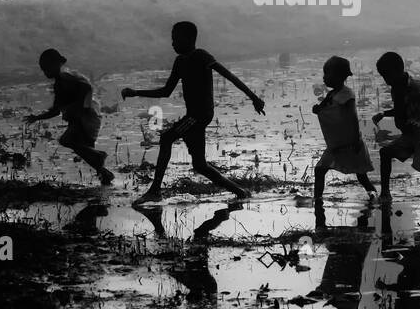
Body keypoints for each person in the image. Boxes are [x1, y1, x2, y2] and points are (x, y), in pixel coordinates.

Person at [121, 20, 265, 203]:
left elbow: (229, 76)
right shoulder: (180, 61)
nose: (172, 43)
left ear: (189, 39)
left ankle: (155, 191)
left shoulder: (201, 56)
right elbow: (166, 91)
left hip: (199, 115)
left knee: (166, 138)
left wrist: (254, 97)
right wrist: (135, 93)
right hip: (194, 116)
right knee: (200, 164)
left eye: (176, 39)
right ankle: (240, 193)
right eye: (172, 39)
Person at [26, 48, 114, 185]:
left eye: (47, 68)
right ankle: (105, 174)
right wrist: (37, 117)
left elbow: (87, 88)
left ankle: (100, 158)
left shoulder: (66, 77)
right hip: (78, 118)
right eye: (43, 69)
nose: (45, 72)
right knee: (86, 151)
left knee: (67, 140)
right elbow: (55, 111)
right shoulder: (59, 84)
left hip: (86, 116)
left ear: (56, 64)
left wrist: (81, 107)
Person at [372, 51, 420, 208]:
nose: (385, 80)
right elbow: (401, 110)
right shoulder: (396, 89)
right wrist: (384, 114)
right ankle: (385, 193)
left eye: (387, 75)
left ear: (397, 71)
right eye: (383, 76)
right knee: (385, 153)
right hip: (411, 134)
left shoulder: (416, 88)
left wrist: (418, 121)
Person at [312, 55, 375, 203]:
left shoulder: (347, 96)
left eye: (327, 74)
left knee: (362, 177)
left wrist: (355, 141)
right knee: (319, 170)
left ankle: (374, 197)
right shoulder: (332, 94)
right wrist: (317, 109)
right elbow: (323, 109)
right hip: (336, 145)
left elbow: (352, 119)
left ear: (339, 76)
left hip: (351, 143)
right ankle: (317, 199)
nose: (324, 78)